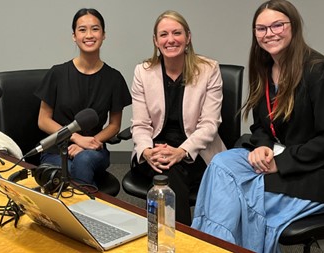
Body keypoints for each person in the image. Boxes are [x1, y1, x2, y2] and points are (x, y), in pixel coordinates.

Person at [191, 0, 324, 252]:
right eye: (261, 28)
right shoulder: (266, 69)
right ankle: (212, 246)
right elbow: (261, 127)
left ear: (294, 26)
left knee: (240, 197)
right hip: (279, 159)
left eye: (277, 25)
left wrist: (281, 161)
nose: (269, 34)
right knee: (221, 164)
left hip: (317, 171)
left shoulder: (319, 70)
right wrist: (263, 147)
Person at [130, 10, 226, 226]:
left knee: (169, 176)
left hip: (195, 152)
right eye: (163, 34)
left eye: (177, 33)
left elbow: (210, 124)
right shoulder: (143, 72)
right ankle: (182, 242)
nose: (170, 39)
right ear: (155, 41)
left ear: (188, 37)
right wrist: (146, 151)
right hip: (154, 152)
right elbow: (140, 124)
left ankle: (171, 241)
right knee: (166, 170)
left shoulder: (208, 69)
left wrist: (181, 152)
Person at [35, 8, 131, 188]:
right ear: (74, 36)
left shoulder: (114, 78)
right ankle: (87, 212)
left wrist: (88, 144)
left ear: (103, 35)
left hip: (94, 149)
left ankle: (77, 214)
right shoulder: (57, 73)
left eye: (95, 29)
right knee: (71, 170)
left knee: (83, 162)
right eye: (82, 30)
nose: (89, 35)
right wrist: (76, 138)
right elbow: (43, 120)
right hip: (57, 150)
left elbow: (114, 125)